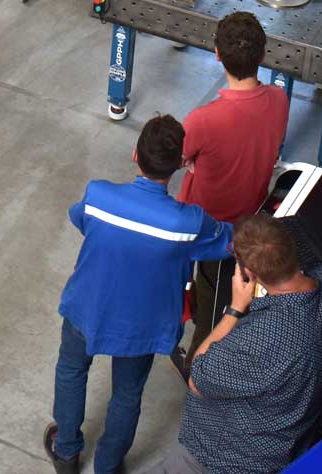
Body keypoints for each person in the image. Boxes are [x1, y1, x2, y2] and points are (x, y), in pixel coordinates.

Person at [45, 115, 234, 474]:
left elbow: (80, 220)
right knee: (127, 395)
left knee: (71, 371)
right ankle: (108, 465)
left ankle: (66, 452)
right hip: (143, 325)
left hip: (87, 308)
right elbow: (227, 241)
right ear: (182, 164)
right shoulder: (188, 222)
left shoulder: (98, 195)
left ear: (135, 154)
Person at [142, 216, 322, 474]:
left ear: (247, 273)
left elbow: (198, 378)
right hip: (279, 448)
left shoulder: (256, 341)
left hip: (217, 458)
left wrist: (235, 308)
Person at [180, 12, 289, 360]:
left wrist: (193, 160)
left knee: (214, 305)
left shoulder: (204, 120)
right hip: (250, 219)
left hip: (208, 228)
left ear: (216, 54)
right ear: (262, 55)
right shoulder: (279, 101)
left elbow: (175, 155)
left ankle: (202, 364)